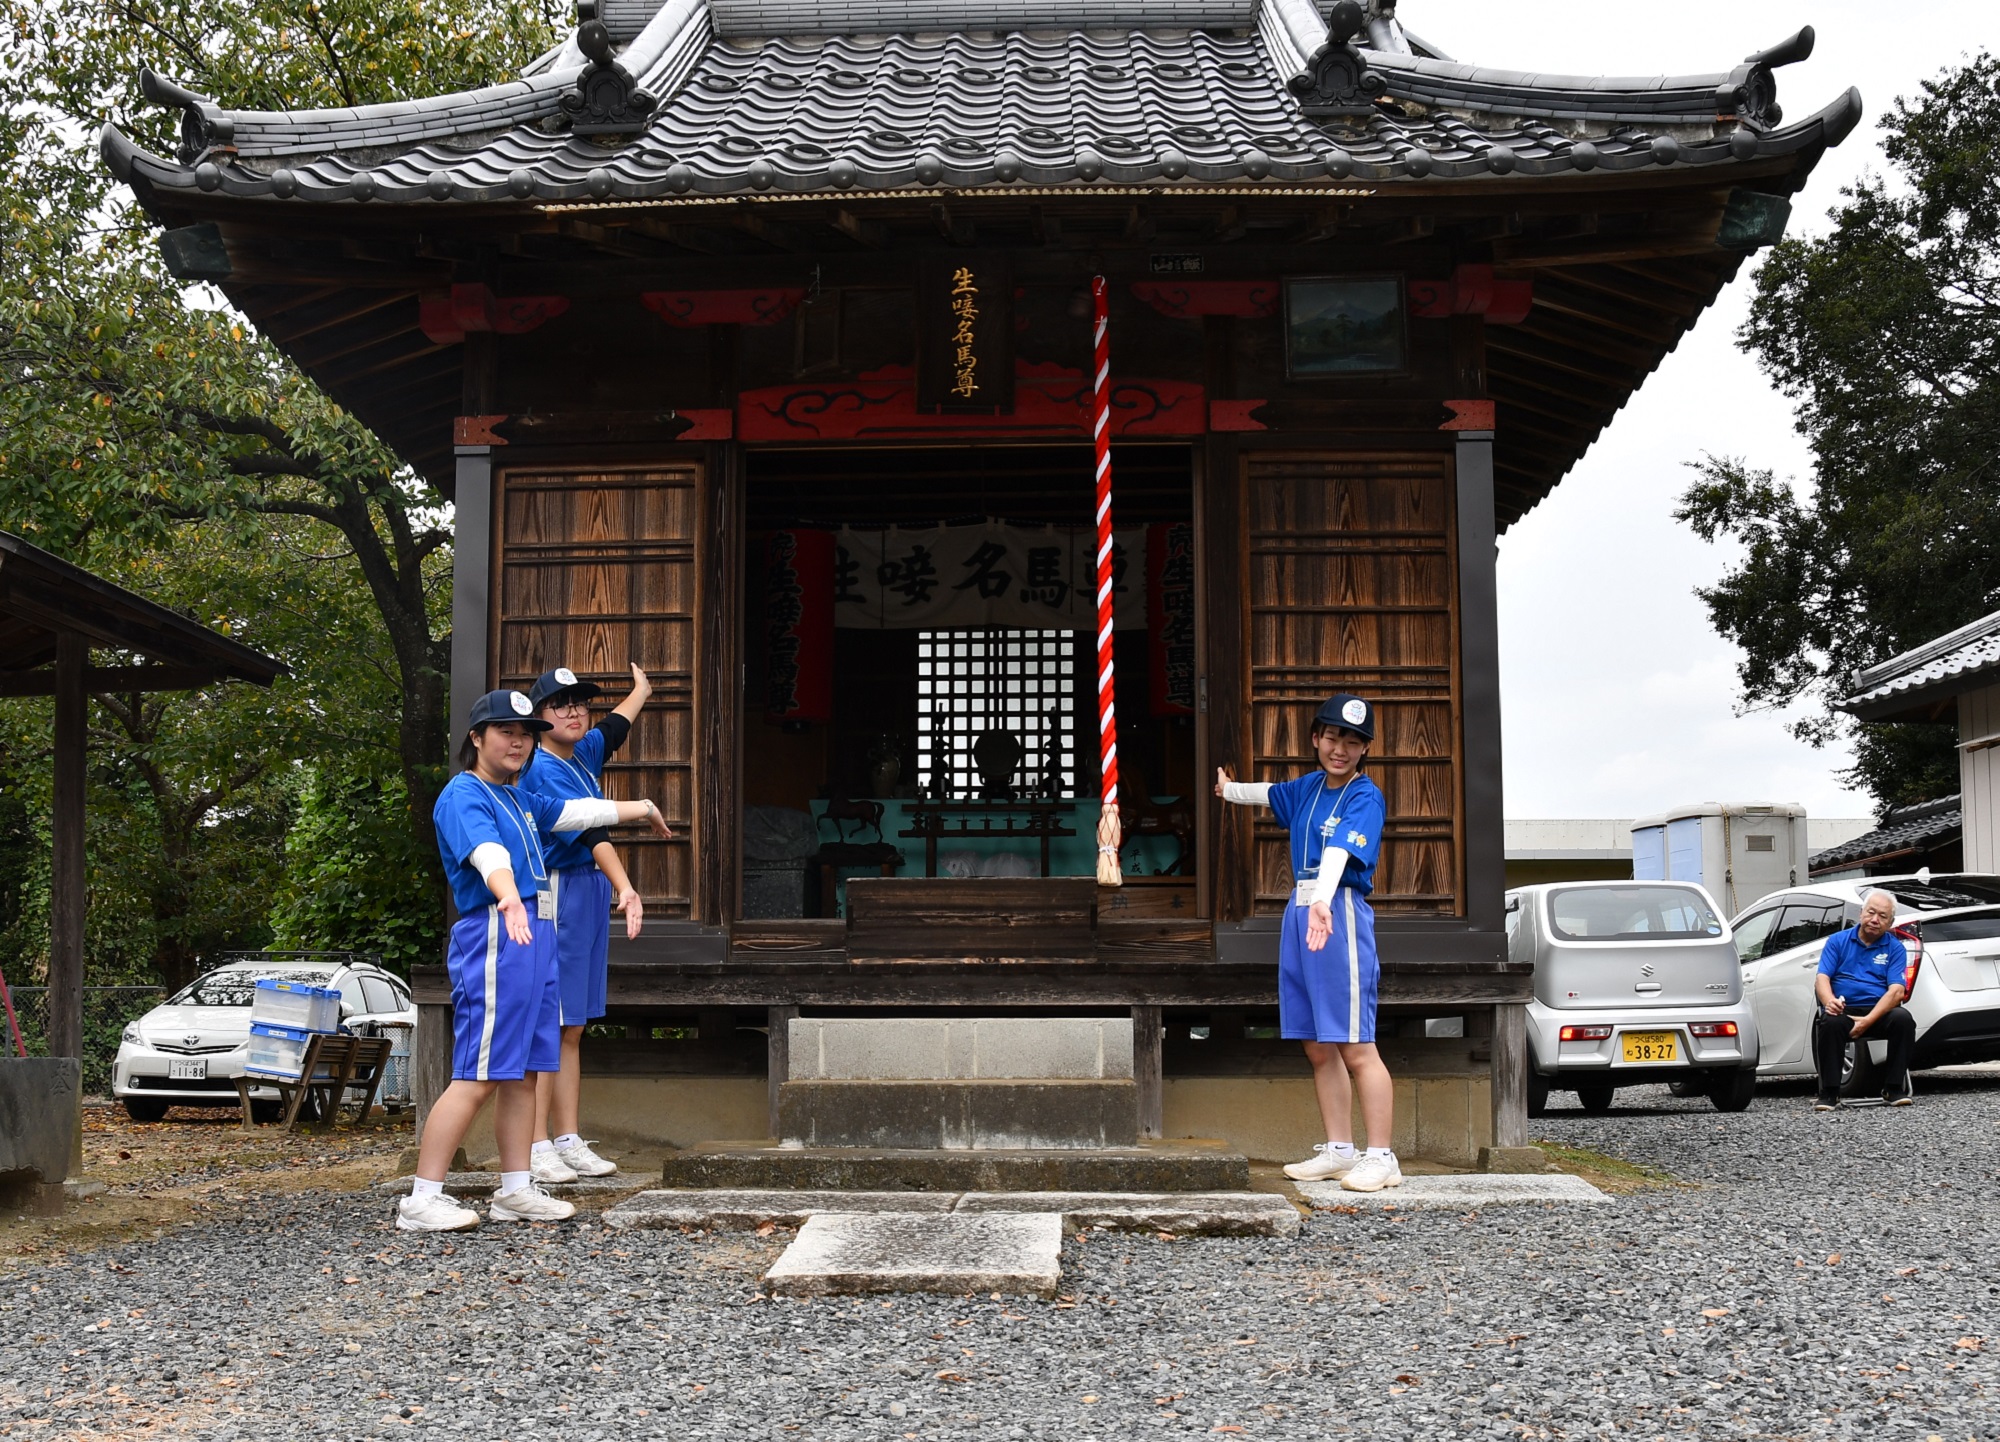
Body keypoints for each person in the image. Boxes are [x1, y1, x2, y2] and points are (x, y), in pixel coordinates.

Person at [397, 688, 671, 1233]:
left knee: (525, 1072)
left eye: (525, 734)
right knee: (479, 1073)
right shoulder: (463, 793)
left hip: (535, 931)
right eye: (506, 732)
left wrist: (641, 808)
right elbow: (487, 853)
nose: (518, 742)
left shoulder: (521, 797)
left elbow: (576, 813)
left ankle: (516, 1189)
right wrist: (506, 895)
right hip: (498, 928)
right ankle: (422, 1197)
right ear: (476, 738)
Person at [1215, 694, 1400, 1192]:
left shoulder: (1366, 796)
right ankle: (1340, 1149)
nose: (1341, 748)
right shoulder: (1308, 787)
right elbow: (1266, 792)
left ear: (1364, 750)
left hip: (1336, 909)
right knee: (1318, 1044)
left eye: (1354, 741)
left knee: (1356, 1042)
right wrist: (1227, 790)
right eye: (1334, 736)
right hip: (1300, 911)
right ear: (1317, 738)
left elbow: (1340, 851)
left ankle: (1382, 1157)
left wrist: (1321, 900)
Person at [518, 663, 654, 1183]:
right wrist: (625, 884)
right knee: (550, 1020)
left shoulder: (582, 753)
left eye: (580, 702)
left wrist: (640, 691)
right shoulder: (540, 767)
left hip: (589, 889)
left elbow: (613, 727)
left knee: (573, 1022)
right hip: (557, 886)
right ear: (539, 718)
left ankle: (568, 1137)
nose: (574, 711)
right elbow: (583, 831)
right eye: (560, 704)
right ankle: (534, 1143)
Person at [1813, 888, 1917, 1110]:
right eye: (1871, 912)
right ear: (1861, 913)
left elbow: (1896, 991)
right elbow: (1821, 979)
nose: (1875, 919)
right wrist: (1829, 1000)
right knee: (1830, 1022)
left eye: (1883, 916)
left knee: (1903, 1019)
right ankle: (1830, 1093)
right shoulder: (1837, 941)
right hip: (1844, 1008)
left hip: (1877, 1011)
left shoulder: (1895, 948)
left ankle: (1893, 1088)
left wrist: (1867, 1021)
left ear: (1890, 922)